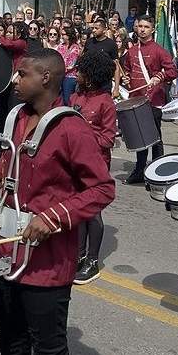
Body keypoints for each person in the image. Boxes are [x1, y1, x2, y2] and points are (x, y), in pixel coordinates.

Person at [0, 50, 115, 355]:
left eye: (22, 74)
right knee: (11, 341)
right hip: (6, 253)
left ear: (45, 78)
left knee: (49, 348)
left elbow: (102, 188)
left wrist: (52, 217)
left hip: (46, 263)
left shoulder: (71, 127)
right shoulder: (17, 117)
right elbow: (7, 164)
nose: (15, 80)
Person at [69, 50, 117, 285]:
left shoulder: (105, 102)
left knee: (92, 212)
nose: (76, 74)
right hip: (74, 161)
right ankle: (77, 255)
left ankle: (93, 261)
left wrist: (82, 133)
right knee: (78, 211)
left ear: (90, 76)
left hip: (96, 164)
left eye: (80, 71)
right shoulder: (75, 98)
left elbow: (108, 139)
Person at [120, 14, 178, 185]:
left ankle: (157, 173)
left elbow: (173, 71)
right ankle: (139, 170)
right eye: (140, 26)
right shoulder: (131, 51)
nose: (142, 30)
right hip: (135, 99)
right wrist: (126, 79)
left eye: (146, 27)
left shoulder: (159, 50)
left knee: (155, 137)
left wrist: (160, 76)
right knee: (139, 138)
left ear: (152, 29)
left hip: (153, 100)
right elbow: (127, 71)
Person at [0, 19, 29, 164]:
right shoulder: (3, 45)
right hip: (1, 86)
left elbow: (9, 44)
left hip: (14, 87)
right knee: (1, 118)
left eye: (10, 32)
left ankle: (11, 152)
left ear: (19, 33)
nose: (7, 35)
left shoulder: (21, 43)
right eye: (6, 32)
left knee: (11, 119)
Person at [57, 24, 81, 105]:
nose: (62, 36)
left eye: (64, 34)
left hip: (69, 77)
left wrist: (60, 71)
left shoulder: (75, 48)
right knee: (59, 99)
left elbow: (71, 64)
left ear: (69, 35)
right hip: (59, 76)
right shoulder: (60, 47)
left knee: (67, 100)